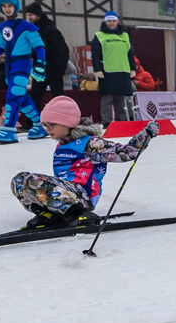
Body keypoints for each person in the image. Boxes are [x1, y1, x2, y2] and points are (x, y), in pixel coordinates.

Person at [11, 95, 159, 228]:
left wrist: (145, 135)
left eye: (51, 124)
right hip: (64, 193)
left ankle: (80, 213)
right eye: (45, 125)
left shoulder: (89, 143)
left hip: (82, 197)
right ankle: (50, 214)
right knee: (19, 180)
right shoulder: (62, 144)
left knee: (33, 180)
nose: (47, 129)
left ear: (67, 123)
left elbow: (127, 153)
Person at [0, 0, 49, 144]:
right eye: (4, 6)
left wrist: (40, 65)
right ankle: (39, 124)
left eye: (9, 5)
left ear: (15, 6)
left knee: (13, 95)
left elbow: (39, 46)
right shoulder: (2, 27)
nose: (7, 9)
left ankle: (8, 129)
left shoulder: (26, 26)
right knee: (22, 99)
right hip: (9, 69)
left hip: (22, 66)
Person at [90, 10, 136, 126]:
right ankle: (107, 122)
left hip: (123, 70)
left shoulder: (125, 35)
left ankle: (121, 121)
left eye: (113, 21)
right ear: (105, 22)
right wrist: (97, 69)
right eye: (109, 21)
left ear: (117, 22)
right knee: (107, 99)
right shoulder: (99, 36)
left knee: (120, 99)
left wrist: (133, 68)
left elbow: (130, 53)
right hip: (107, 71)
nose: (111, 23)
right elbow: (95, 53)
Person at [24, 2, 70, 108]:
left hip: (53, 69)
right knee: (35, 96)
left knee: (57, 97)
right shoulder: (32, 31)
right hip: (39, 69)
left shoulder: (50, 30)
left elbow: (63, 49)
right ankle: (32, 122)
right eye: (28, 16)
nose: (29, 18)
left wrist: (61, 67)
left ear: (38, 14)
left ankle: (61, 121)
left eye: (31, 15)